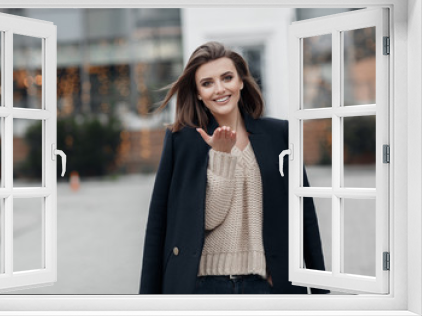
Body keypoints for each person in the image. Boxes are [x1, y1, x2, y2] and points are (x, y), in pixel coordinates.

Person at [139, 41, 328, 294]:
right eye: (207, 83)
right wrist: (221, 157)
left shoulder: (280, 134)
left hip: (265, 287)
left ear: (241, 81)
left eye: (227, 77)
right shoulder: (181, 141)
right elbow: (164, 224)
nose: (219, 89)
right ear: (197, 93)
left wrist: (321, 295)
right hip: (201, 289)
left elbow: (305, 218)